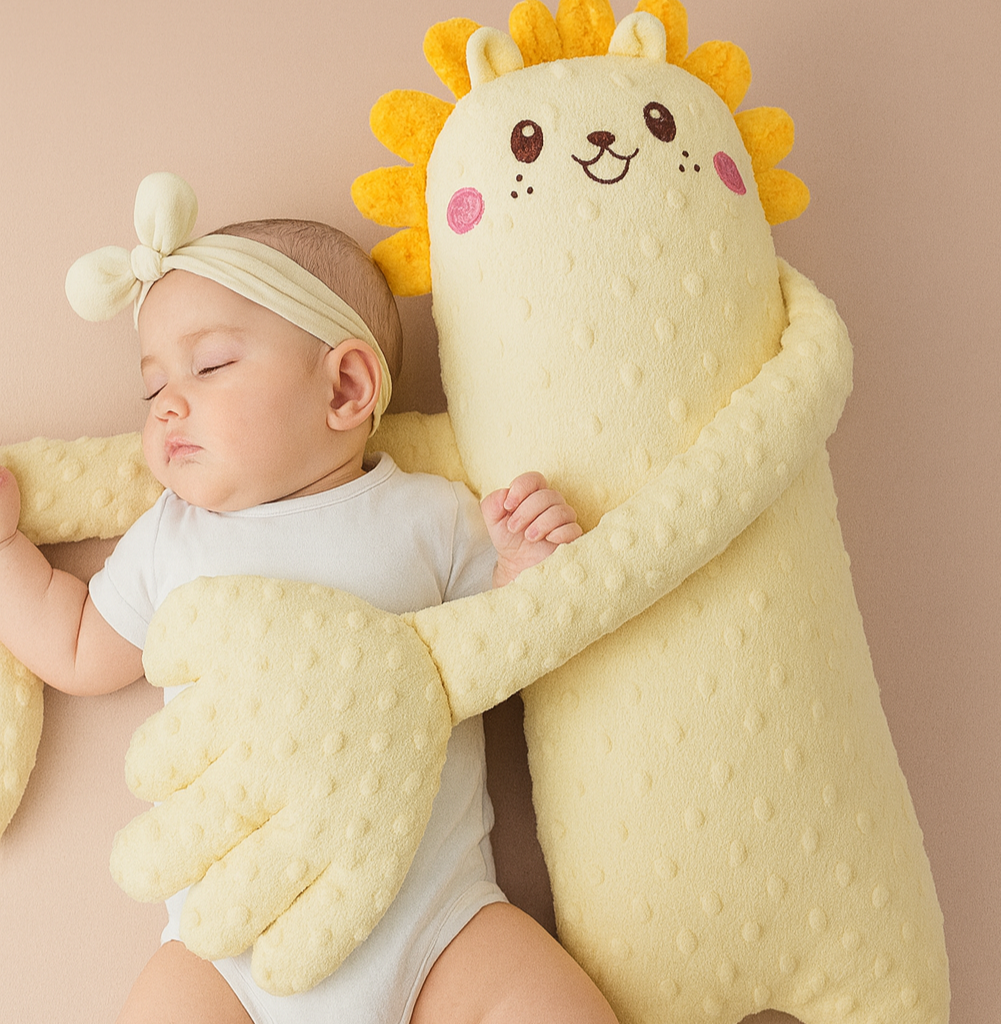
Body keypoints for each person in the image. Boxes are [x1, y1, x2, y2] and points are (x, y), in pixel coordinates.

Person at [0, 173, 617, 1024]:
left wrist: (527, 562)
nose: (166, 403)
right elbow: (74, 644)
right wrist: (3, 553)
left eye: (209, 364)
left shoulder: (426, 517)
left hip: (434, 927)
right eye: (152, 388)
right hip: (230, 953)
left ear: (345, 389)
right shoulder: (171, 540)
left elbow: (505, 648)